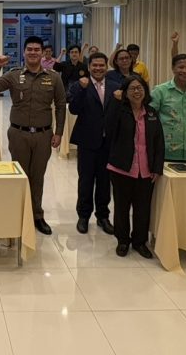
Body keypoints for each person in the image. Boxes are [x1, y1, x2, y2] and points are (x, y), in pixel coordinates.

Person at [0, 36, 66, 235]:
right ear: (23, 52)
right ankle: (19, 214)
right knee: (20, 176)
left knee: (37, 177)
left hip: (43, 135)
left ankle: (37, 215)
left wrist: (59, 133)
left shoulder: (53, 77)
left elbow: (60, 106)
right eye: (29, 49)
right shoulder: (14, 75)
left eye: (37, 49)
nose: (33, 52)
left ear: (42, 53)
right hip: (18, 134)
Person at [106, 75, 165, 258]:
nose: (136, 91)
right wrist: (115, 101)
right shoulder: (119, 110)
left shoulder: (152, 113)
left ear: (145, 91)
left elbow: (159, 142)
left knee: (143, 208)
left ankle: (139, 241)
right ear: (125, 92)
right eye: (132, 88)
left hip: (145, 170)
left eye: (140, 88)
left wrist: (157, 168)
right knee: (122, 207)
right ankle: (123, 241)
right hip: (121, 168)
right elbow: (109, 126)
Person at [67, 52, 117, 235]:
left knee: (105, 182)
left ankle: (103, 216)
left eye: (101, 65)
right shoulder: (80, 85)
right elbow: (73, 109)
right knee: (86, 180)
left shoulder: (115, 87)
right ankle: (83, 216)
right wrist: (81, 89)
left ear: (106, 67)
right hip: (87, 141)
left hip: (108, 142)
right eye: (94, 65)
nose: (98, 68)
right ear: (89, 67)